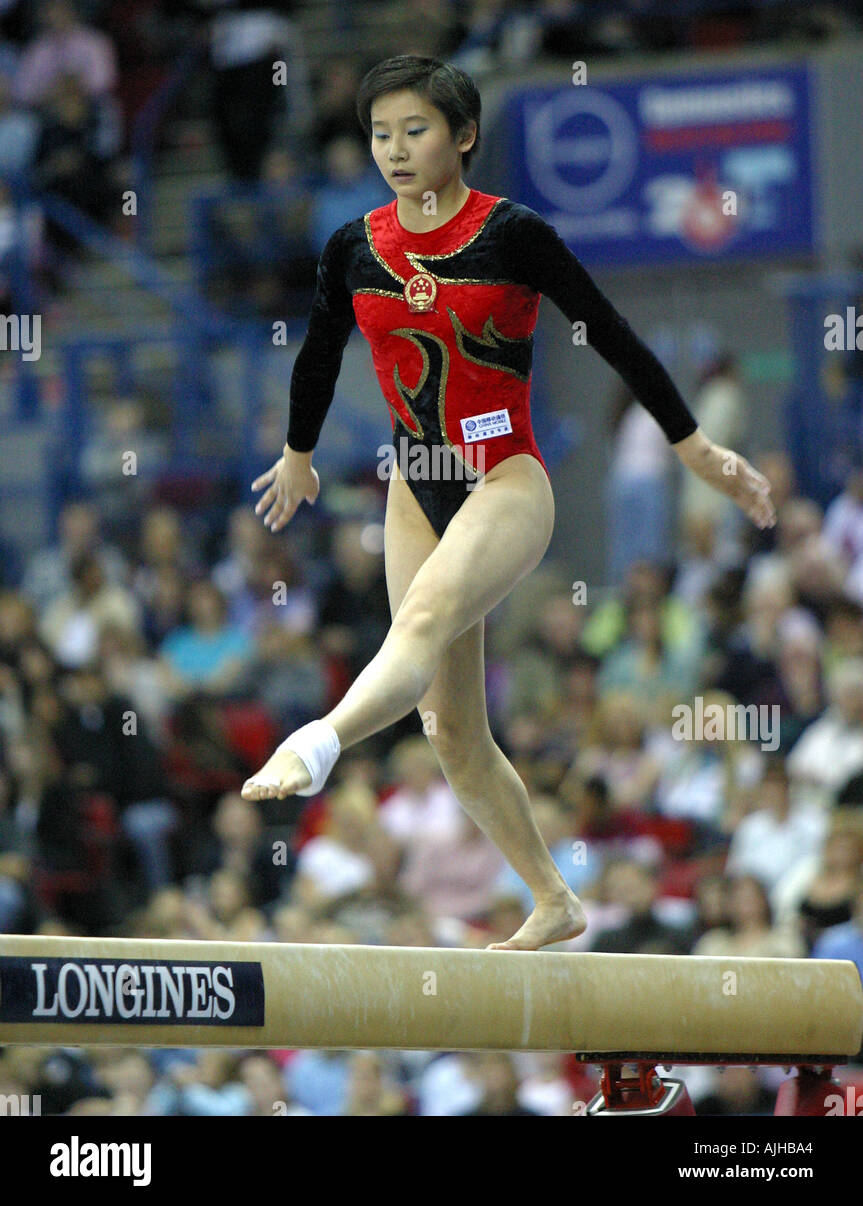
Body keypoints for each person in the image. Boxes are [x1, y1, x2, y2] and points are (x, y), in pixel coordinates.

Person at [242, 54, 776, 952]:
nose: (396, 151)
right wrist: (297, 454)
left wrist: (696, 448)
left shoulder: (512, 233)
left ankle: (320, 742)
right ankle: (554, 899)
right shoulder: (355, 247)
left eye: (415, 131)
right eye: (380, 135)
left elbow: (610, 332)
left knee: (413, 628)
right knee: (449, 728)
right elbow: (321, 352)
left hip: (505, 479)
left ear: (463, 136)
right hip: (417, 482)